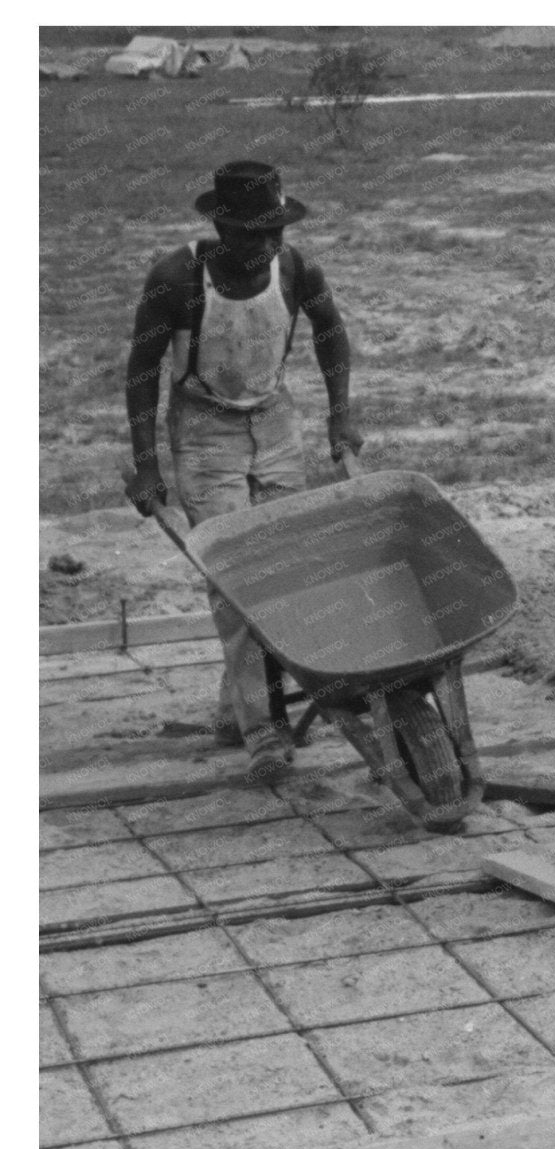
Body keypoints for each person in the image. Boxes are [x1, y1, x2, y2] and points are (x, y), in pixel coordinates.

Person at [122, 161, 362, 779]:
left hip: (275, 419)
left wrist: (340, 417)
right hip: (204, 430)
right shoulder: (175, 279)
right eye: (256, 234)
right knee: (234, 580)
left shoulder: (296, 269)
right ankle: (264, 731)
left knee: (285, 568)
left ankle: (240, 709)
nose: (269, 244)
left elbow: (331, 332)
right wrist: (147, 466)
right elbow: (143, 371)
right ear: (223, 229)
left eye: (277, 231)